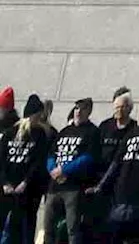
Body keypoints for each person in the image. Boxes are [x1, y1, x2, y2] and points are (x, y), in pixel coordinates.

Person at [91, 92, 139, 243]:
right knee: (114, 234)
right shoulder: (130, 134)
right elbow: (116, 163)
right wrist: (101, 185)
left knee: (135, 237)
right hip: (121, 192)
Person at [40, 96, 99, 244]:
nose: (78, 111)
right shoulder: (64, 131)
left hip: (73, 187)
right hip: (54, 187)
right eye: (77, 108)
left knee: (72, 228)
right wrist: (53, 170)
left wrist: (65, 170)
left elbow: (88, 158)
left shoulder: (92, 132)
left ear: (89, 111)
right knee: (48, 227)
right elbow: (51, 154)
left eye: (83, 108)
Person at [1, 95, 52, 244]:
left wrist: (25, 182)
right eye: (37, 115)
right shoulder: (10, 133)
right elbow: (1, 160)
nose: (39, 118)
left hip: (28, 192)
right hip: (7, 189)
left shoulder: (40, 134)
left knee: (24, 227)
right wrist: (4, 183)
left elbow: (38, 162)